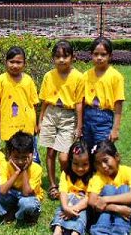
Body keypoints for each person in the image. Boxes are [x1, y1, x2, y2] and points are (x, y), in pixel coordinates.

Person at [38, 40, 84, 200]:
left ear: (72, 58)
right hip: (51, 113)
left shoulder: (78, 77)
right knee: (50, 152)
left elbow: (79, 103)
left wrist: (79, 125)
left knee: (64, 157)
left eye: (65, 56)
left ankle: (66, 181)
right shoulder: (49, 76)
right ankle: (52, 184)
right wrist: (40, 120)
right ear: (53, 59)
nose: (61, 60)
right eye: (57, 56)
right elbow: (44, 100)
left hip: (68, 116)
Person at [0, 46, 40, 162]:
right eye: (11, 62)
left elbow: (34, 104)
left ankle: (31, 178)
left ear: (24, 64)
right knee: (11, 157)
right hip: (9, 125)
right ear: (5, 62)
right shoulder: (0, 80)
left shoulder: (28, 80)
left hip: (27, 125)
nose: (15, 65)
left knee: (30, 157)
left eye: (18, 62)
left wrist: (35, 124)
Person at [88, 140, 131, 235]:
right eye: (98, 163)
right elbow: (92, 201)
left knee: (124, 188)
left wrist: (105, 199)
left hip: (124, 216)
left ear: (117, 157)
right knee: (108, 189)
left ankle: (120, 230)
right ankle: (101, 229)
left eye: (105, 160)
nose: (103, 166)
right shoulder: (98, 177)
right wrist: (117, 208)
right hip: (106, 216)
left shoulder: (129, 172)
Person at [82, 36, 125, 151]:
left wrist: (115, 129)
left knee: (102, 151)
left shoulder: (116, 77)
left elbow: (118, 105)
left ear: (110, 56)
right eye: (96, 54)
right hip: (87, 116)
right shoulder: (86, 75)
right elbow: (81, 100)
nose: (99, 58)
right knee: (87, 151)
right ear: (91, 55)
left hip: (104, 118)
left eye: (103, 54)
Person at [0, 131, 43, 225]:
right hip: (13, 193)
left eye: (24, 157)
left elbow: (26, 193)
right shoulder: (5, 166)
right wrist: (16, 172)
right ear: (9, 154)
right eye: (16, 157)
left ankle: (25, 215)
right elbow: (2, 191)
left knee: (26, 203)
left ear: (31, 154)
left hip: (30, 197)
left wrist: (24, 170)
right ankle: (9, 211)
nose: (20, 161)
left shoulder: (36, 168)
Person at [50, 140, 92, 235]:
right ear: (70, 161)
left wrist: (74, 208)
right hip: (67, 203)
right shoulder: (66, 174)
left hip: (82, 207)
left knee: (82, 215)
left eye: (85, 164)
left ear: (91, 163)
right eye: (76, 164)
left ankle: (75, 232)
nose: (80, 168)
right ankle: (58, 229)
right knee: (62, 210)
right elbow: (63, 192)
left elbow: (88, 198)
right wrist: (66, 208)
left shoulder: (93, 177)